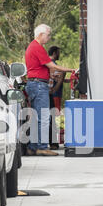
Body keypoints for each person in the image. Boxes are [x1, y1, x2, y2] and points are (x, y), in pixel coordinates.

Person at [24, 24, 74, 156]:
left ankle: (33, 146)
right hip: (39, 85)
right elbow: (52, 65)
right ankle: (42, 146)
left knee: (36, 117)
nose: (49, 37)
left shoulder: (32, 47)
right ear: (41, 34)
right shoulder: (37, 47)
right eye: (48, 34)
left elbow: (44, 68)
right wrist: (71, 70)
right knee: (44, 117)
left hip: (34, 84)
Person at [48, 46, 65, 150]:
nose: (59, 54)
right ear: (54, 53)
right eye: (58, 52)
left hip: (53, 94)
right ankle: (53, 143)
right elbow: (59, 77)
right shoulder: (53, 65)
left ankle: (53, 142)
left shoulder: (50, 63)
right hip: (54, 95)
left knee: (52, 118)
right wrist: (62, 77)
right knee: (53, 118)